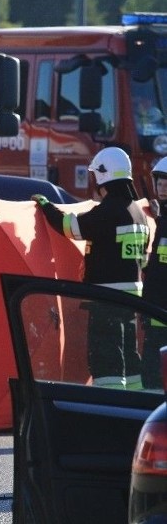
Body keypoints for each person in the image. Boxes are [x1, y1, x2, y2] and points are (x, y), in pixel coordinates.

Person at [33, 146, 149, 389]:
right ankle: (136, 404)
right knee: (129, 355)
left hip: (106, 298)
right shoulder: (138, 212)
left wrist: (46, 206)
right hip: (132, 301)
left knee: (106, 359)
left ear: (102, 176)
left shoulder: (109, 211)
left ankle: (109, 408)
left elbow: (70, 227)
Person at [142, 157, 167, 388]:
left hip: (161, 311)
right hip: (154, 309)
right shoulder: (163, 220)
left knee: (154, 377)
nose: (162, 188)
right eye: (160, 182)